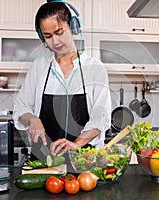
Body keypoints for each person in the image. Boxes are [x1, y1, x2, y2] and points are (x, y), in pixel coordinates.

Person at [13, 1, 111, 166]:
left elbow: (100, 118)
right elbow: (21, 108)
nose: (55, 41)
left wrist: (77, 144)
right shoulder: (39, 67)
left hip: (83, 161)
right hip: (44, 162)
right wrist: (32, 119)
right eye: (48, 36)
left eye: (59, 32)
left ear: (73, 27)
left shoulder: (94, 68)